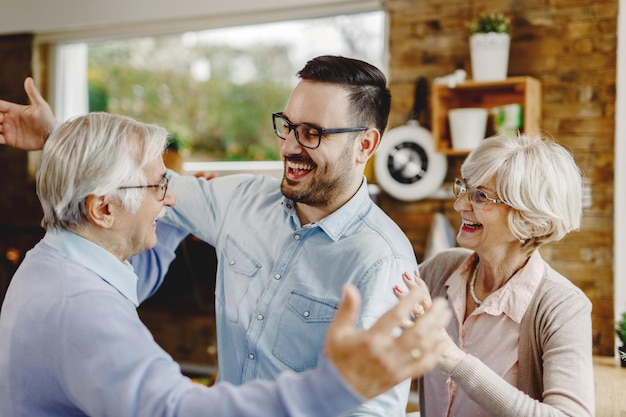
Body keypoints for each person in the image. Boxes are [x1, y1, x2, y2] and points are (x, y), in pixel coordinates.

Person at [0, 55, 423, 415]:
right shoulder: (241, 198)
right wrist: (57, 138)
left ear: (365, 145)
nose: (290, 146)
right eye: (287, 125)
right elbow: (124, 184)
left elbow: (372, 403)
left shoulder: (382, 263)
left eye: (312, 133)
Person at [397, 133, 594, 416]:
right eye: (464, 189)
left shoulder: (563, 307)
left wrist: (455, 361)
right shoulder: (440, 271)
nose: (460, 205)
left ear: (529, 221)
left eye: (480, 195)